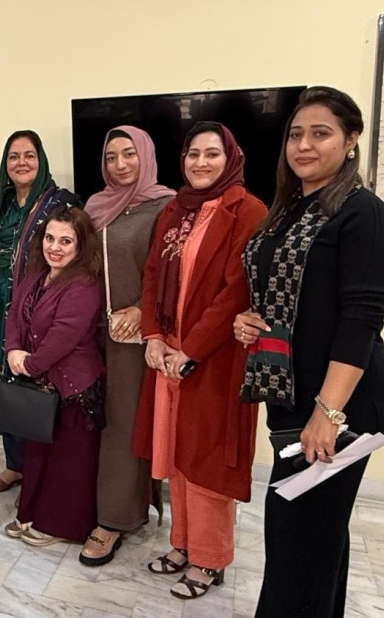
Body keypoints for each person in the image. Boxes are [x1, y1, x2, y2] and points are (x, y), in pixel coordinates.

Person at [236, 87, 384, 617]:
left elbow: (360, 320)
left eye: (321, 132)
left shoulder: (364, 216)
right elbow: (285, 298)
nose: (304, 145)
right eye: (296, 134)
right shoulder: (291, 211)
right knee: (316, 537)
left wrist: (327, 414)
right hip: (295, 392)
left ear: (351, 140)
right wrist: (249, 319)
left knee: (296, 537)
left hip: (341, 401)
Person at [131, 122, 266, 599]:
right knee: (177, 455)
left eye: (212, 154)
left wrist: (191, 349)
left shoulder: (248, 211)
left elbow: (237, 292)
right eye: (193, 154)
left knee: (208, 460)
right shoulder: (174, 209)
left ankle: (210, 559)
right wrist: (152, 335)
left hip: (213, 358)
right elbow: (151, 275)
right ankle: (184, 545)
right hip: (168, 353)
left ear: (230, 158)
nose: (201, 163)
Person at [74, 126, 174, 565]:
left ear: (146, 156)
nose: (119, 165)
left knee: (124, 426)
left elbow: (172, 273)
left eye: (129, 155)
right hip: (94, 332)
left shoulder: (165, 206)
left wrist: (140, 310)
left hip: (135, 338)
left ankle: (113, 520)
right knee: (95, 421)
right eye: (111, 156)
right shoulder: (96, 207)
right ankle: (101, 503)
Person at [0, 130, 79, 496]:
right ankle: (14, 466)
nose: (21, 163)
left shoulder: (61, 205)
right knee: (7, 388)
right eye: (13, 156)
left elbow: (76, 260)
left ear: (41, 159)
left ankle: (40, 470)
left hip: (40, 317)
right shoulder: (0, 205)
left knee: (39, 391)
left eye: (29, 155)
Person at [3, 205, 105, 546]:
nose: (55, 247)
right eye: (50, 238)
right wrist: (13, 350)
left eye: (66, 241)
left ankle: (61, 526)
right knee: (38, 455)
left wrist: (29, 365)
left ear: (80, 246)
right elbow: (15, 313)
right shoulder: (35, 274)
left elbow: (65, 334)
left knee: (68, 463)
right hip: (41, 387)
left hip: (74, 386)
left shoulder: (84, 284)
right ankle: (30, 514)